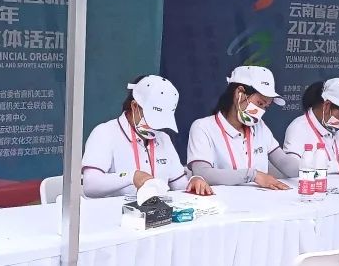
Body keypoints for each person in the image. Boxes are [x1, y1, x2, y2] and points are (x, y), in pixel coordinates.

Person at [82, 75, 213, 198]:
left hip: (160, 212)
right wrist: (131, 177)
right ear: (134, 106)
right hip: (116, 213)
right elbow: (90, 185)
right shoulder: (105, 133)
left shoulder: (163, 138)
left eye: (161, 121)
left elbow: (179, 185)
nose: (156, 127)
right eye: (152, 119)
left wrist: (194, 182)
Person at [187, 66, 297, 189]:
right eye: (260, 103)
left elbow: (284, 162)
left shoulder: (260, 126)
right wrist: (252, 175)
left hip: (260, 199)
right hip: (223, 200)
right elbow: (202, 172)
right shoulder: (203, 127)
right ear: (239, 93)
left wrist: (311, 170)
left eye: (266, 107)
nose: (261, 111)